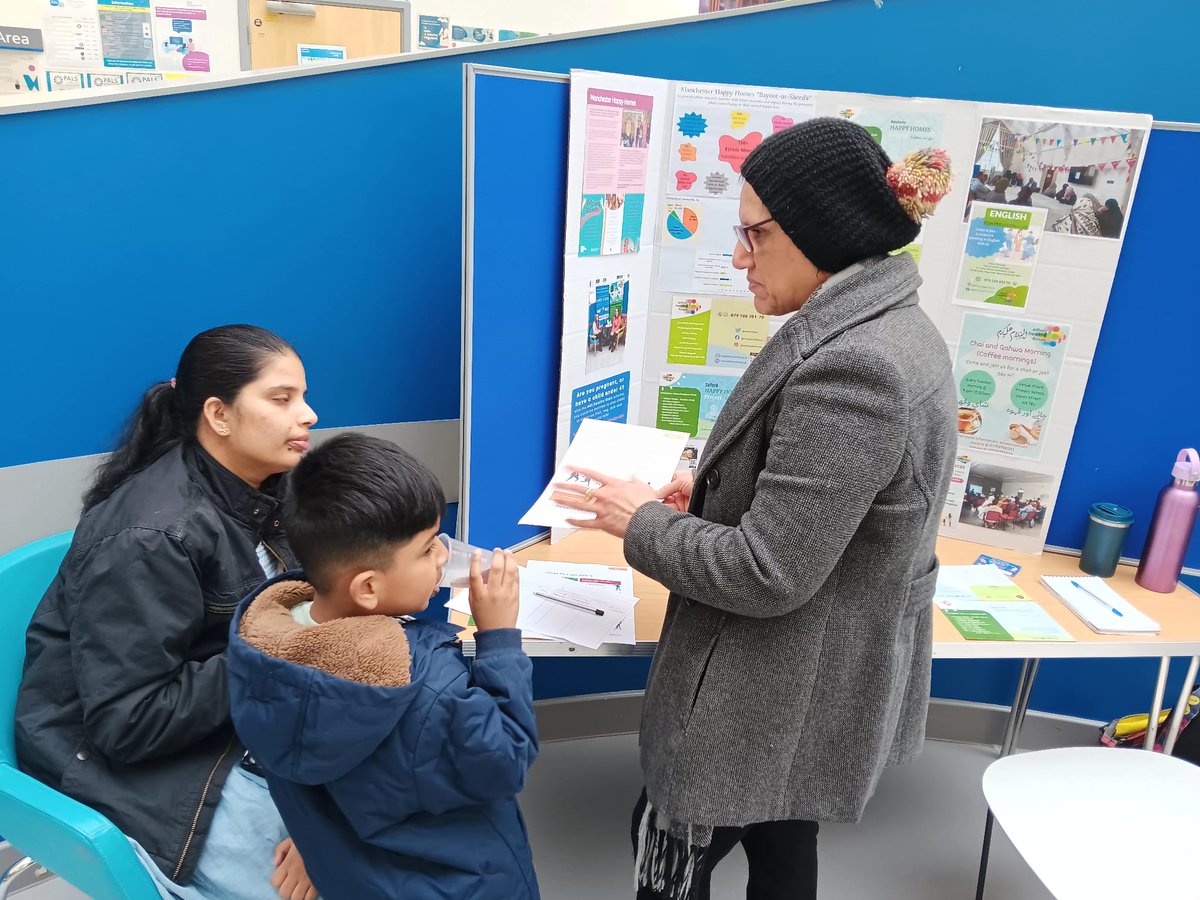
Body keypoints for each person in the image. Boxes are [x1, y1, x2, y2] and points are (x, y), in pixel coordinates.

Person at [552, 119, 957, 900]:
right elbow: (830, 511)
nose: (738, 257)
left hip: (763, 687)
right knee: (782, 831)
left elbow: (768, 572)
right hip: (805, 683)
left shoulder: (856, 365)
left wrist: (641, 520)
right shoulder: (899, 329)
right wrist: (708, 498)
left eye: (754, 234)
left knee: (668, 843)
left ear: (821, 231)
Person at [16, 325, 320, 900]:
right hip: (118, 756)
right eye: (281, 399)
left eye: (303, 396)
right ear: (219, 415)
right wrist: (285, 645)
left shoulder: (267, 491)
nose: (307, 414)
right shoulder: (152, 535)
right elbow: (127, 723)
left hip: (224, 723)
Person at [226, 434, 538, 900]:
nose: (444, 557)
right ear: (368, 589)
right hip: (459, 884)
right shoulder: (427, 687)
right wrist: (498, 642)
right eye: (429, 547)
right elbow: (506, 759)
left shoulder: (261, 650)